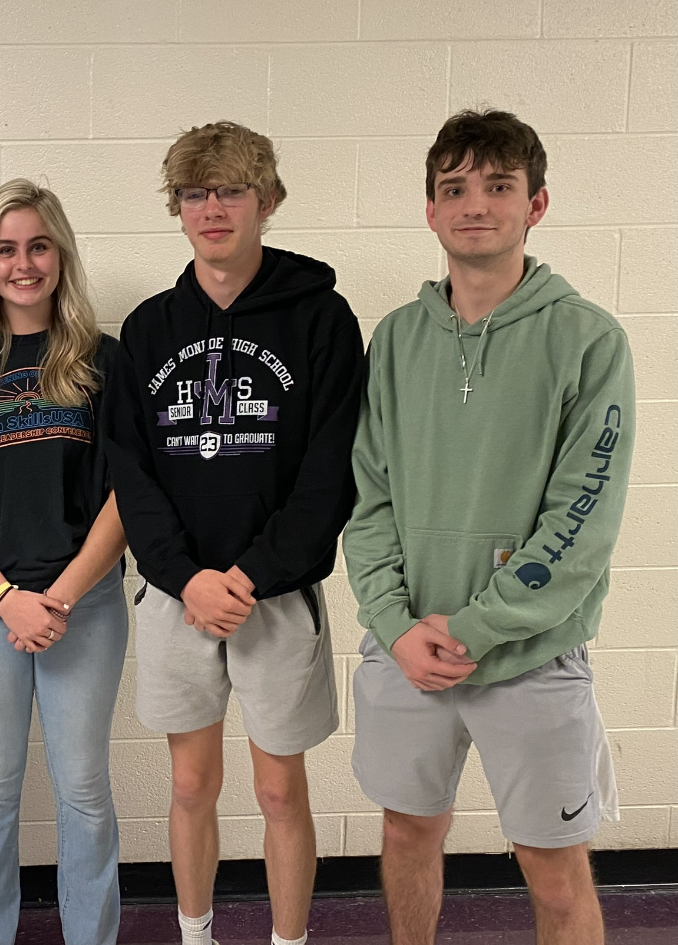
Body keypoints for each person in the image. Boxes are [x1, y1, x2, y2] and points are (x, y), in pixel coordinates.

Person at [344, 108, 634, 945]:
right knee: (407, 832)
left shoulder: (588, 340)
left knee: (554, 867)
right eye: (455, 188)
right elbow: (368, 499)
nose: (476, 204)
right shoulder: (395, 340)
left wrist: (471, 627)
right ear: (430, 210)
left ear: (535, 204)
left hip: (531, 655)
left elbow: (581, 522)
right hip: (406, 650)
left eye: (499, 186)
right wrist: (396, 625)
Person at [102, 122, 365, 945]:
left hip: (274, 594)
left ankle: (288, 940)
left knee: (280, 789)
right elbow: (130, 472)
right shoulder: (147, 329)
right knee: (189, 784)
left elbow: (331, 470)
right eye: (194, 193)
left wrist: (248, 575)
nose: (211, 208)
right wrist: (186, 576)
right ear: (177, 208)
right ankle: (196, 934)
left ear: (268, 201)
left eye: (231, 191)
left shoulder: (321, 318)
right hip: (177, 593)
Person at [0, 179, 128, 945]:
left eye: (39, 246)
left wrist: (63, 595)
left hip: (86, 601)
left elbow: (126, 496)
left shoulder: (104, 361)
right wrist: (7, 595)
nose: (23, 263)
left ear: (61, 254)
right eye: (6, 248)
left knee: (83, 786)